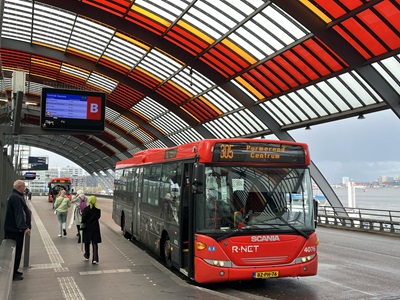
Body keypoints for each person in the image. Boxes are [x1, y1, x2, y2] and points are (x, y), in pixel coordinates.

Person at [4, 180, 32, 281]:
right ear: (20, 187)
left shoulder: (15, 196)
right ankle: (13, 274)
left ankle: (15, 271)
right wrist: (24, 227)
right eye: (24, 186)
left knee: (17, 252)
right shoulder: (16, 197)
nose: (24, 188)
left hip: (14, 229)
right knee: (16, 251)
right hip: (15, 230)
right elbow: (19, 214)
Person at [81, 195, 102, 264]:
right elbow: (98, 217)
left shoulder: (86, 209)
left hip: (87, 228)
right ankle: (95, 259)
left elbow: (83, 219)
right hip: (95, 227)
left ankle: (87, 255)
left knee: (87, 242)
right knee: (95, 243)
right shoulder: (98, 209)